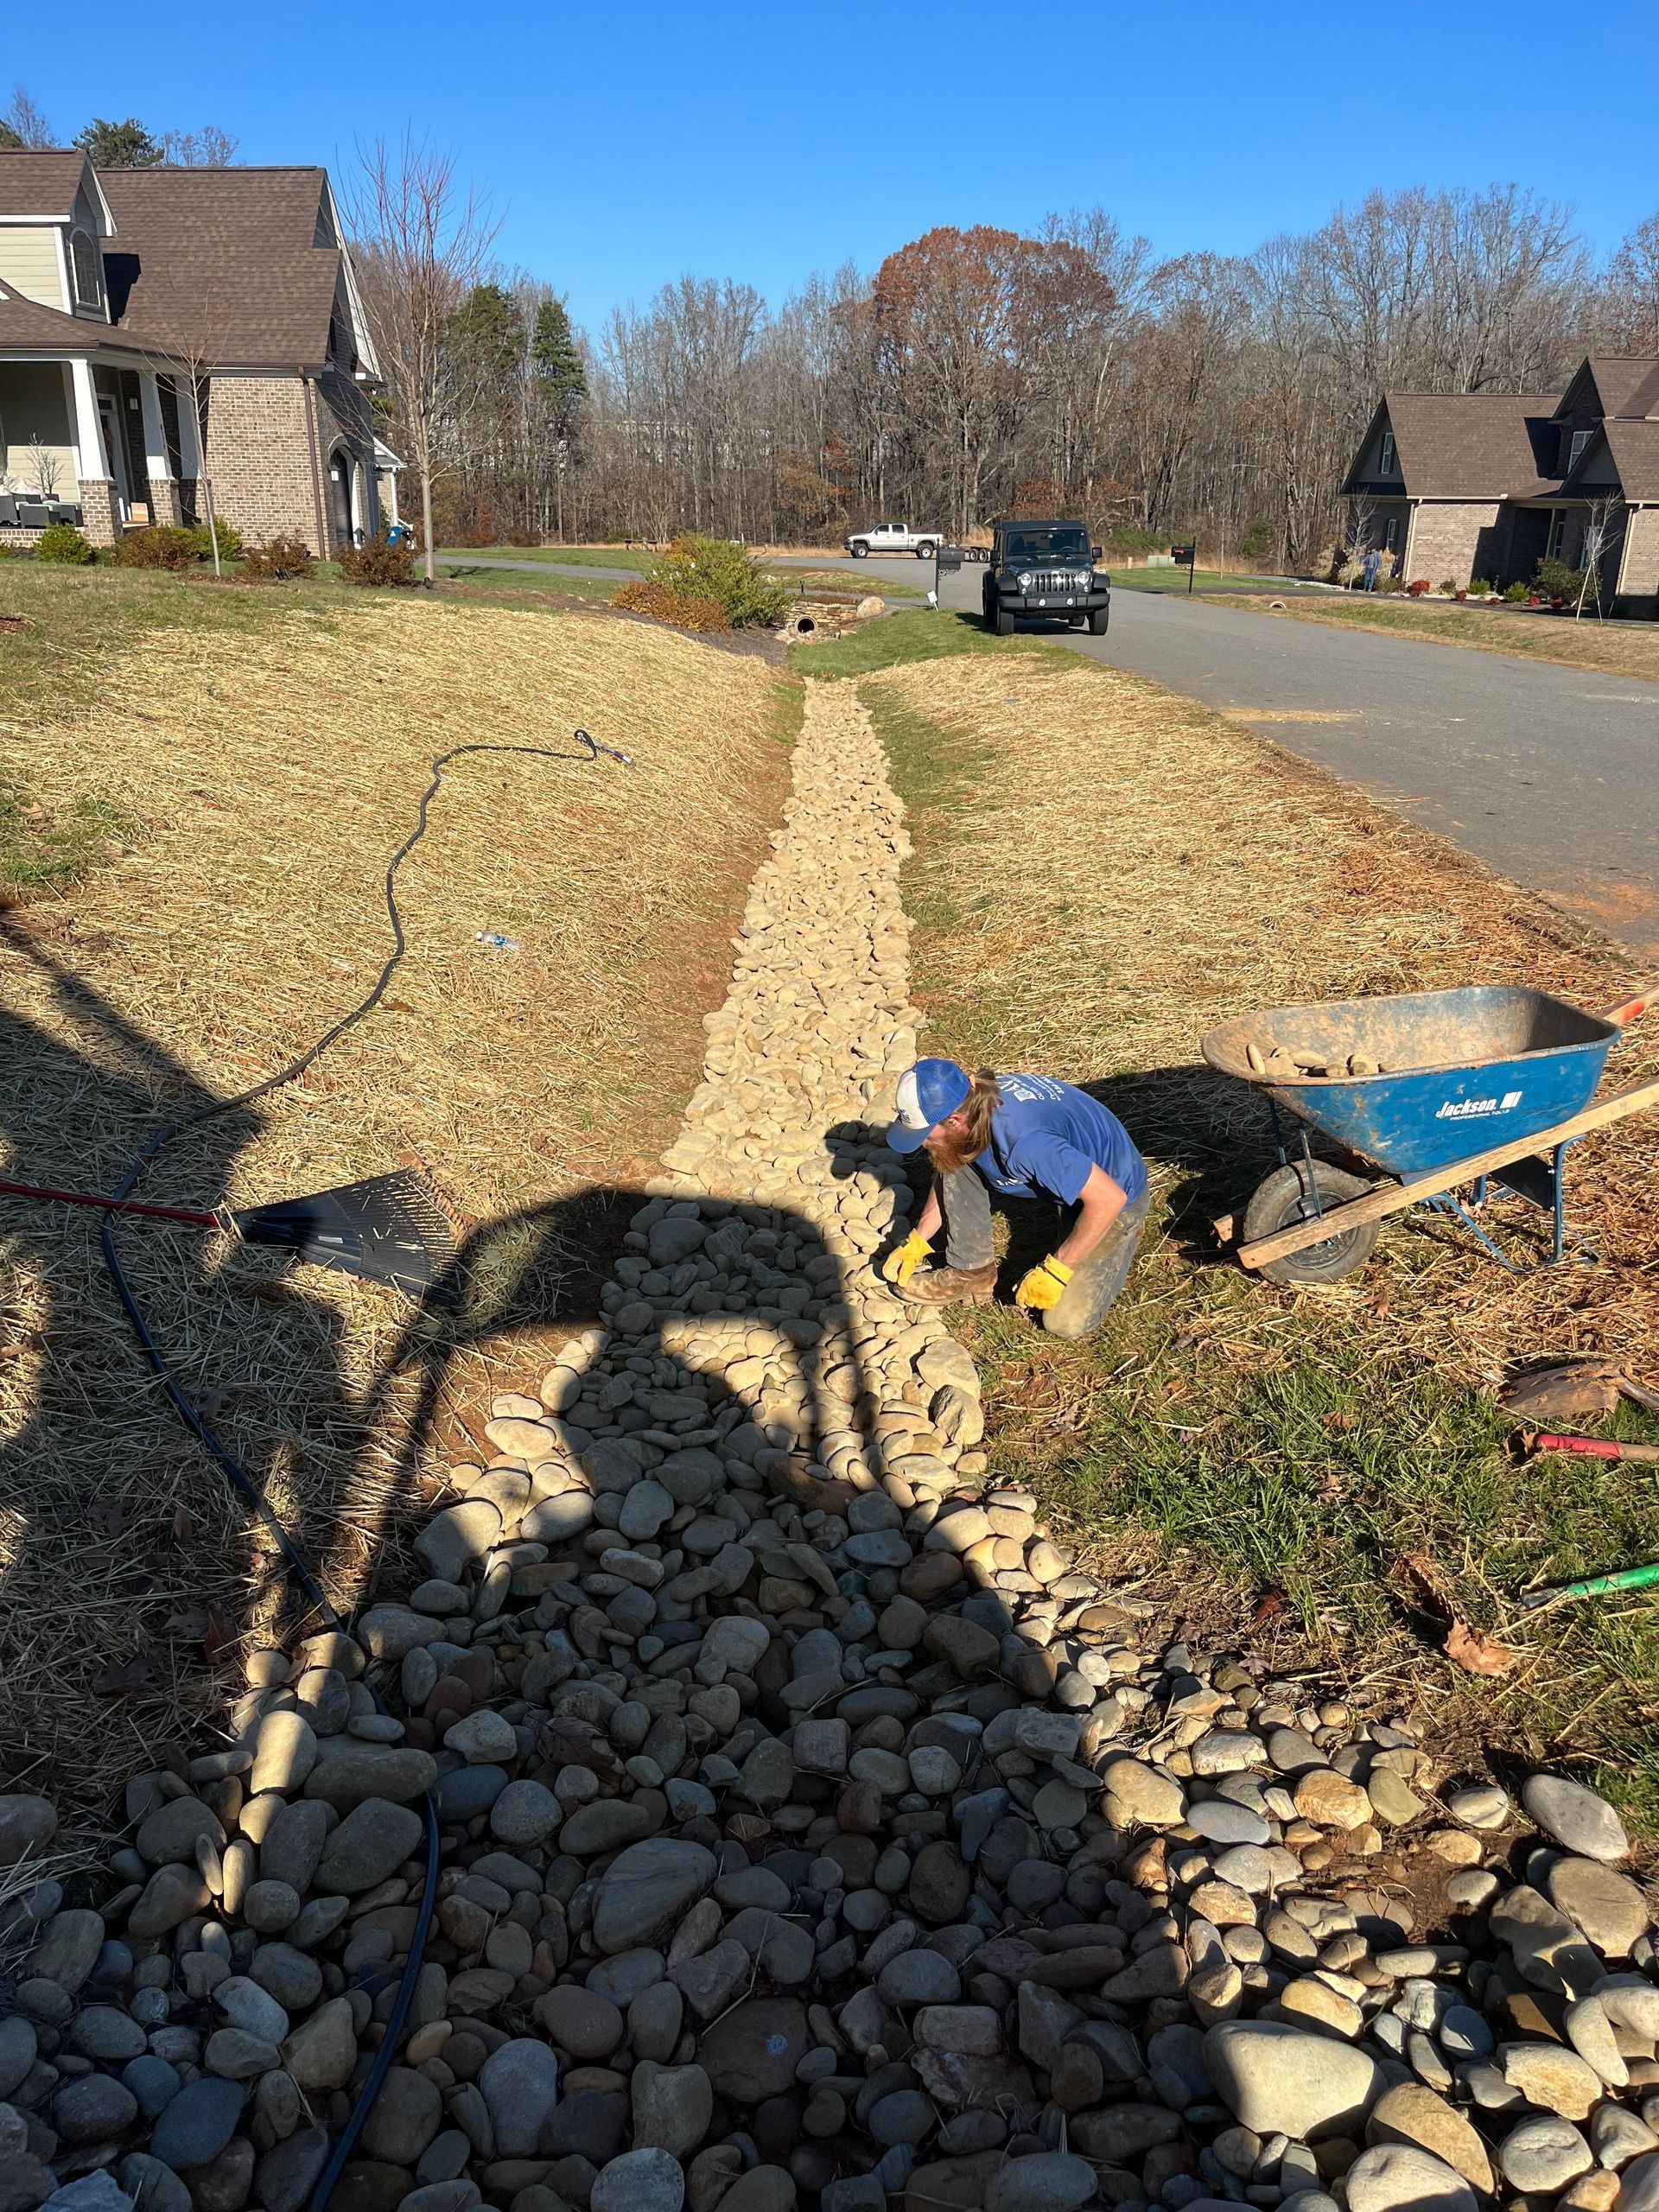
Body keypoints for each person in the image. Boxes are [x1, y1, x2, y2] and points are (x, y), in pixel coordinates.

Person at [880, 1060, 1149, 1340]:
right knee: (951, 1150)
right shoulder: (975, 1102)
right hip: (1070, 1166)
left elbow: (1109, 1199)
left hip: (1116, 1195)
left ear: (955, 1120)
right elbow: (950, 1166)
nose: (923, 1142)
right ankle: (971, 1274)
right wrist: (919, 1239)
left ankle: (1122, 1233)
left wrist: (1056, 1271)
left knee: (1065, 1322)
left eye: (925, 1134)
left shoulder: (1026, 1144)